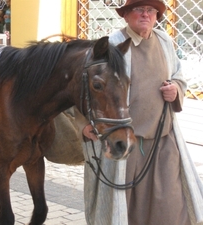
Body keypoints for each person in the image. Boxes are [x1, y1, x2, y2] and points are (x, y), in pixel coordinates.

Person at [81, 0, 203, 225]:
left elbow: (178, 75)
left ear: (156, 16)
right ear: (126, 15)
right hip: (125, 144)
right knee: (125, 210)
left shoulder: (165, 41)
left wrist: (175, 89)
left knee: (172, 207)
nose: (145, 14)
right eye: (139, 9)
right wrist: (86, 122)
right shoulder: (112, 46)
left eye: (151, 11)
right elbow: (91, 88)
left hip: (163, 139)